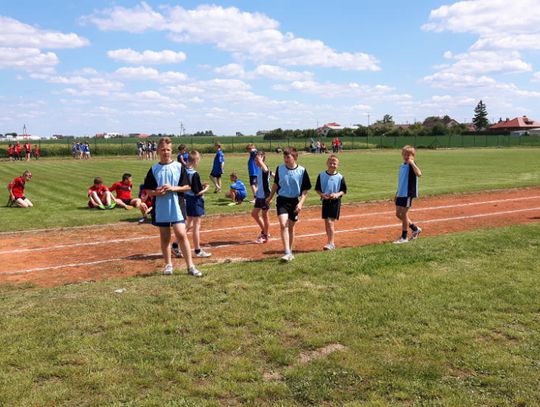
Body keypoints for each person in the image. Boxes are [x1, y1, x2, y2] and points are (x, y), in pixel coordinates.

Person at [143, 137, 202, 277]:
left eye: (168, 150)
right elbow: (148, 189)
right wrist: (156, 192)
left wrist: (173, 188)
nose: (166, 152)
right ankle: (168, 265)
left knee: (181, 234)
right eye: (163, 150)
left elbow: (187, 186)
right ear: (158, 150)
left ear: (171, 150)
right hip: (161, 207)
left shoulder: (178, 167)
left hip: (177, 205)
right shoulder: (154, 169)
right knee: (165, 237)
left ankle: (191, 266)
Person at [266, 147, 311, 262]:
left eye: (288, 157)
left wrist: (300, 203)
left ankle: (290, 251)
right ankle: (287, 252)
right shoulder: (280, 169)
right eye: (284, 157)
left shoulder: (302, 170)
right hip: (282, 200)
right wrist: (270, 197)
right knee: (283, 224)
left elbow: (305, 190)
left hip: (295, 201)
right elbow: (276, 184)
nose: (285, 159)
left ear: (295, 157)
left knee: (291, 227)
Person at [315, 155, 347, 250]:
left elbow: (344, 190)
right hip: (325, 201)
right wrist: (322, 194)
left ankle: (331, 243)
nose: (332, 165)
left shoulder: (340, 177)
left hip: (335, 202)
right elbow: (317, 189)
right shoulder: (321, 175)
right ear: (327, 163)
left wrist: (337, 194)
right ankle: (329, 241)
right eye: (330, 163)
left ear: (338, 165)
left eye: (334, 163)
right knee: (326, 223)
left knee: (330, 222)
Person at [183, 150, 212, 258]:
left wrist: (199, 184)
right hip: (195, 201)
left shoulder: (184, 170)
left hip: (187, 199)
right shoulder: (194, 173)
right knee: (196, 226)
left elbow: (190, 185)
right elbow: (197, 192)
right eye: (198, 160)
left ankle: (175, 245)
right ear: (195, 160)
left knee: (189, 224)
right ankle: (197, 250)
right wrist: (206, 188)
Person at [394, 145, 422, 244]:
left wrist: (412, 163)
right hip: (401, 193)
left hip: (408, 193)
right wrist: (397, 193)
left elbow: (419, 173)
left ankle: (404, 237)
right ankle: (415, 229)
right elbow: (401, 180)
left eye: (409, 155)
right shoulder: (402, 165)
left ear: (413, 155)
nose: (406, 156)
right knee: (398, 214)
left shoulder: (412, 164)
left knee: (404, 214)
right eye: (405, 154)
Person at [251, 151, 272, 243]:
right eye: (255, 159)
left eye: (258, 158)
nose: (256, 160)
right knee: (254, 214)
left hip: (266, 196)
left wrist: (260, 159)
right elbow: (270, 173)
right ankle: (265, 231)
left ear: (262, 158)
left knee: (265, 216)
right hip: (259, 195)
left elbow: (266, 170)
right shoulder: (259, 168)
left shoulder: (264, 167)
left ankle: (265, 236)